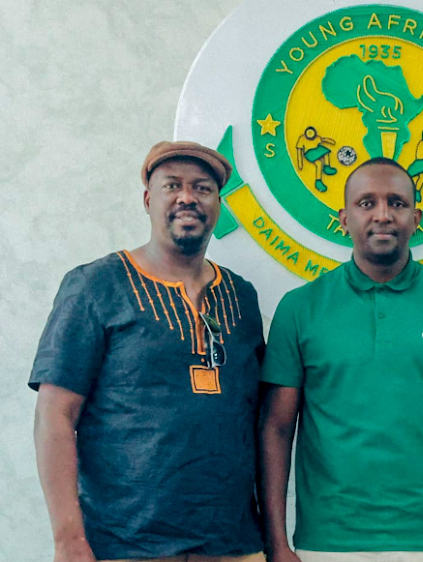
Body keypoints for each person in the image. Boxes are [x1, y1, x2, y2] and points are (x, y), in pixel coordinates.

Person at [30, 141, 266, 562]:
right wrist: (68, 540)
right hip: (124, 545)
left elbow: (257, 419)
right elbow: (55, 415)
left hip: (232, 546)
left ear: (218, 203)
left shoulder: (241, 298)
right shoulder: (96, 286)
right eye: (171, 185)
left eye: (203, 188)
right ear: (147, 200)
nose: (187, 197)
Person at [259, 157, 423, 562]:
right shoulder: (299, 308)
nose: (383, 215)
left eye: (397, 203)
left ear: (416, 217)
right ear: (343, 217)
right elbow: (276, 430)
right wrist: (278, 544)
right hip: (326, 543)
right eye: (366, 203)